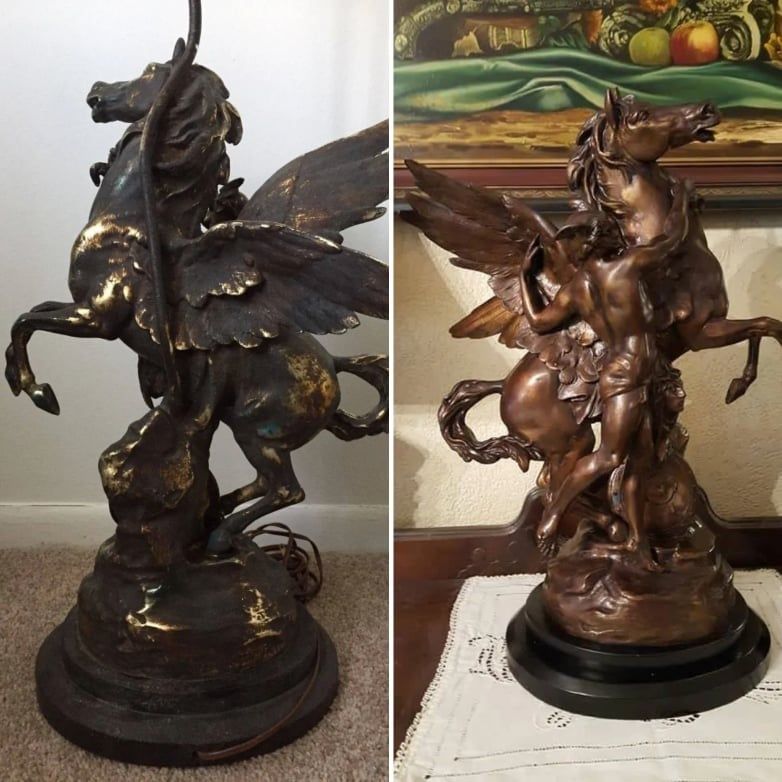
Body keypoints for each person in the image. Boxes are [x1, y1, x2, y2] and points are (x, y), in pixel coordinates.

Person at [519, 179, 691, 559]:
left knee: (640, 463)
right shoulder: (627, 267)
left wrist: (525, 278)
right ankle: (551, 516)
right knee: (610, 457)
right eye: (612, 232)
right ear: (601, 238)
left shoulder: (577, 288)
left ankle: (636, 542)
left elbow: (539, 321)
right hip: (626, 376)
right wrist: (680, 199)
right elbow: (673, 239)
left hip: (637, 373)